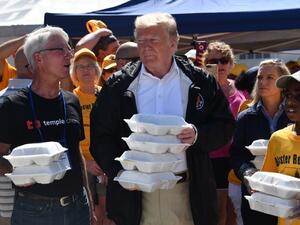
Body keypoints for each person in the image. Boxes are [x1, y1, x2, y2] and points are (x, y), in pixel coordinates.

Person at [90, 12, 235, 225]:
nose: (145, 47)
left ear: (173, 43)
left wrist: (197, 135)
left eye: (153, 40)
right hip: (135, 196)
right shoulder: (117, 86)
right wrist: (122, 173)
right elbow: (100, 136)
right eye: (140, 41)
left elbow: (224, 126)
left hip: (186, 193)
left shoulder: (200, 81)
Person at [0, 26, 93, 225]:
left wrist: (90, 205)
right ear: (39, 58)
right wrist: (28, 166)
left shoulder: (71, 100)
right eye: (60, 49)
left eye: (69, 48)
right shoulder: (12, 106)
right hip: (34, 211)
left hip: (78, 205)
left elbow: (76, 154)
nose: (69, 53)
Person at [230, 59, 291, 225]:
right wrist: (247, 173)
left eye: (270, 77)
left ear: (283, 81)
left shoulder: (295, 114)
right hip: (256, 195)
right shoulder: (245, 117)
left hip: (290, 194)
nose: (263, 82)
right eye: (259, 77)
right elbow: (236, 154)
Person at [203, 41, 247, 225]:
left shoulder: (242, 92)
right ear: (205, 64)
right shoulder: (199, 91)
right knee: (215, 213)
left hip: (233, 158)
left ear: (231, 63)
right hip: (207, 159)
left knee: (233, 213)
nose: (219, 65)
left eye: (224, 60)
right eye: (213, 61)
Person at [70, 48, 109, 225]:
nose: (86, 70)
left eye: (90, 66)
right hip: (82, 164)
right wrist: (86, 163)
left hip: (105, 163)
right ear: (74, 72)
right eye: (81, 67)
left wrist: (107, 161)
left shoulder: (106, 95)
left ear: (97, 70)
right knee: (90, 214)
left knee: (106, 212)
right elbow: (69, 139)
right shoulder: (70, 99)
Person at [261, 70, 300, 225]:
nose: (290, 102)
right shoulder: (278, 139)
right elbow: (268, 184)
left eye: (298, 96)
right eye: (288, 95)